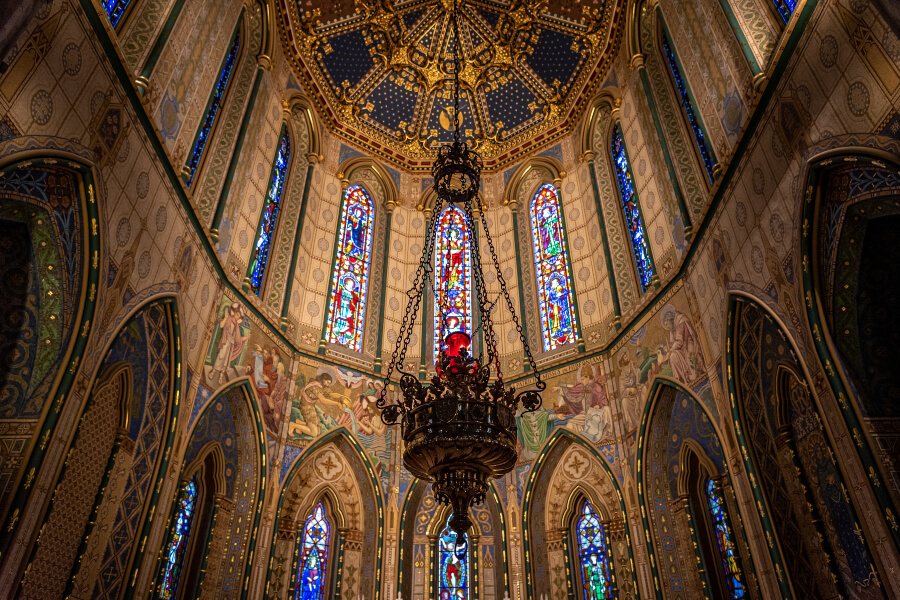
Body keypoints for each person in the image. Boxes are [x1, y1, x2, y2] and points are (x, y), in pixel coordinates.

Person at [661, 305, 706, 384]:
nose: (667, 326)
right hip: (679, 349)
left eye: (667, 324)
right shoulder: (672, 327)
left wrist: (671, 350)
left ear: (670, 320)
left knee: (694, 374)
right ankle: (681, 380)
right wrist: (669, 349)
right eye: (666, 325)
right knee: (672, 357)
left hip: (688, 344)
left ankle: (695, 377)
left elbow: (680, 341)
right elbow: (672, 342)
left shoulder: (680, 320)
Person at [211, 302, 247, 385]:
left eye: (239, 315)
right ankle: (213, 372)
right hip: (226, 341)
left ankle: (221, 377)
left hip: (231, 345)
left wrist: (245, 338)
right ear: (234, 313)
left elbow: (237, 339)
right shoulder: (229, 318)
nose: (238, 316)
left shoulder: (237, 326)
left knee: (226, 361)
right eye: (237, 314)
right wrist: (225, 317)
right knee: (220, 356)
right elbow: (221, 325)